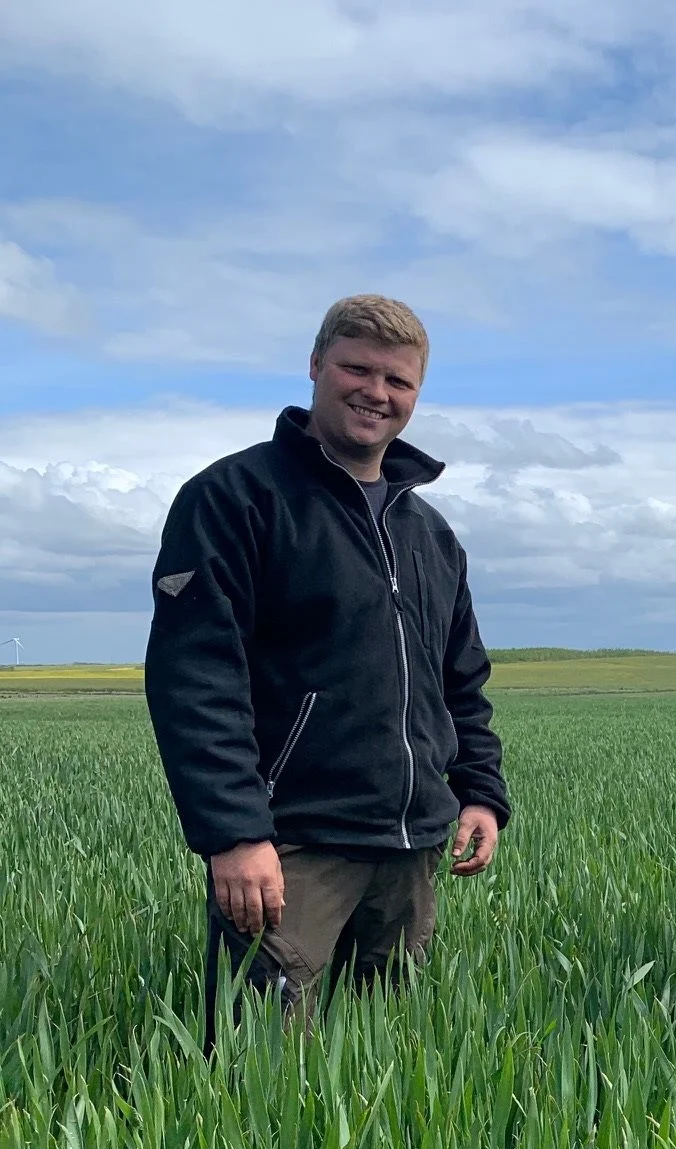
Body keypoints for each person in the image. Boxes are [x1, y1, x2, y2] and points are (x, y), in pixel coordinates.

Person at [145, 294, 509, 1038]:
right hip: (290, 850)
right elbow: (196, 679)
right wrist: (235, 833)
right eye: (357, 368)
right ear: (316, 366)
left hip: (408, 852)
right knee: (259, 1072)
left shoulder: (429, 533)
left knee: (378, 1065)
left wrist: (480, 793)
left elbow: (460, 681)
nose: (376, 392)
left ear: (416, 395)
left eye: (398, 381)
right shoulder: (234, 499)